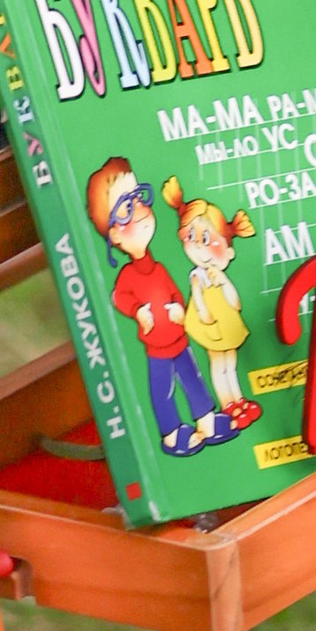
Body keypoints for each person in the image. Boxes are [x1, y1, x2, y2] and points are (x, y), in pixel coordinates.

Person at [84, 156, 217, 458]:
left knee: (193, 380)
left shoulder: (157, 268)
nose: (141, 211)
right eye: (126, 208)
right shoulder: (128, 275)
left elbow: (173, 292)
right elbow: (120, 297)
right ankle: (172, 435)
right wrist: (137, 312)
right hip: (157, 348)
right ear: (115, 235)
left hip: (179, 341)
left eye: (139, 198)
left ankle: (207, 422)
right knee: (163, 392)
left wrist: (179, 309)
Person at [163, 175, 259, 428]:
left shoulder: (219, 273)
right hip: (209, 323)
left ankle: (239, 399)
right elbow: (198, 299)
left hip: (226, 320)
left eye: (206, 240)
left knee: (231, 361)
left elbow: (235, 303)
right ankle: (228, 404)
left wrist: (224, 282)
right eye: (190, 238)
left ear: (229, 251)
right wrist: (205, 316)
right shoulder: (197, 275)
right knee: (218, 362)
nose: (198, 249)